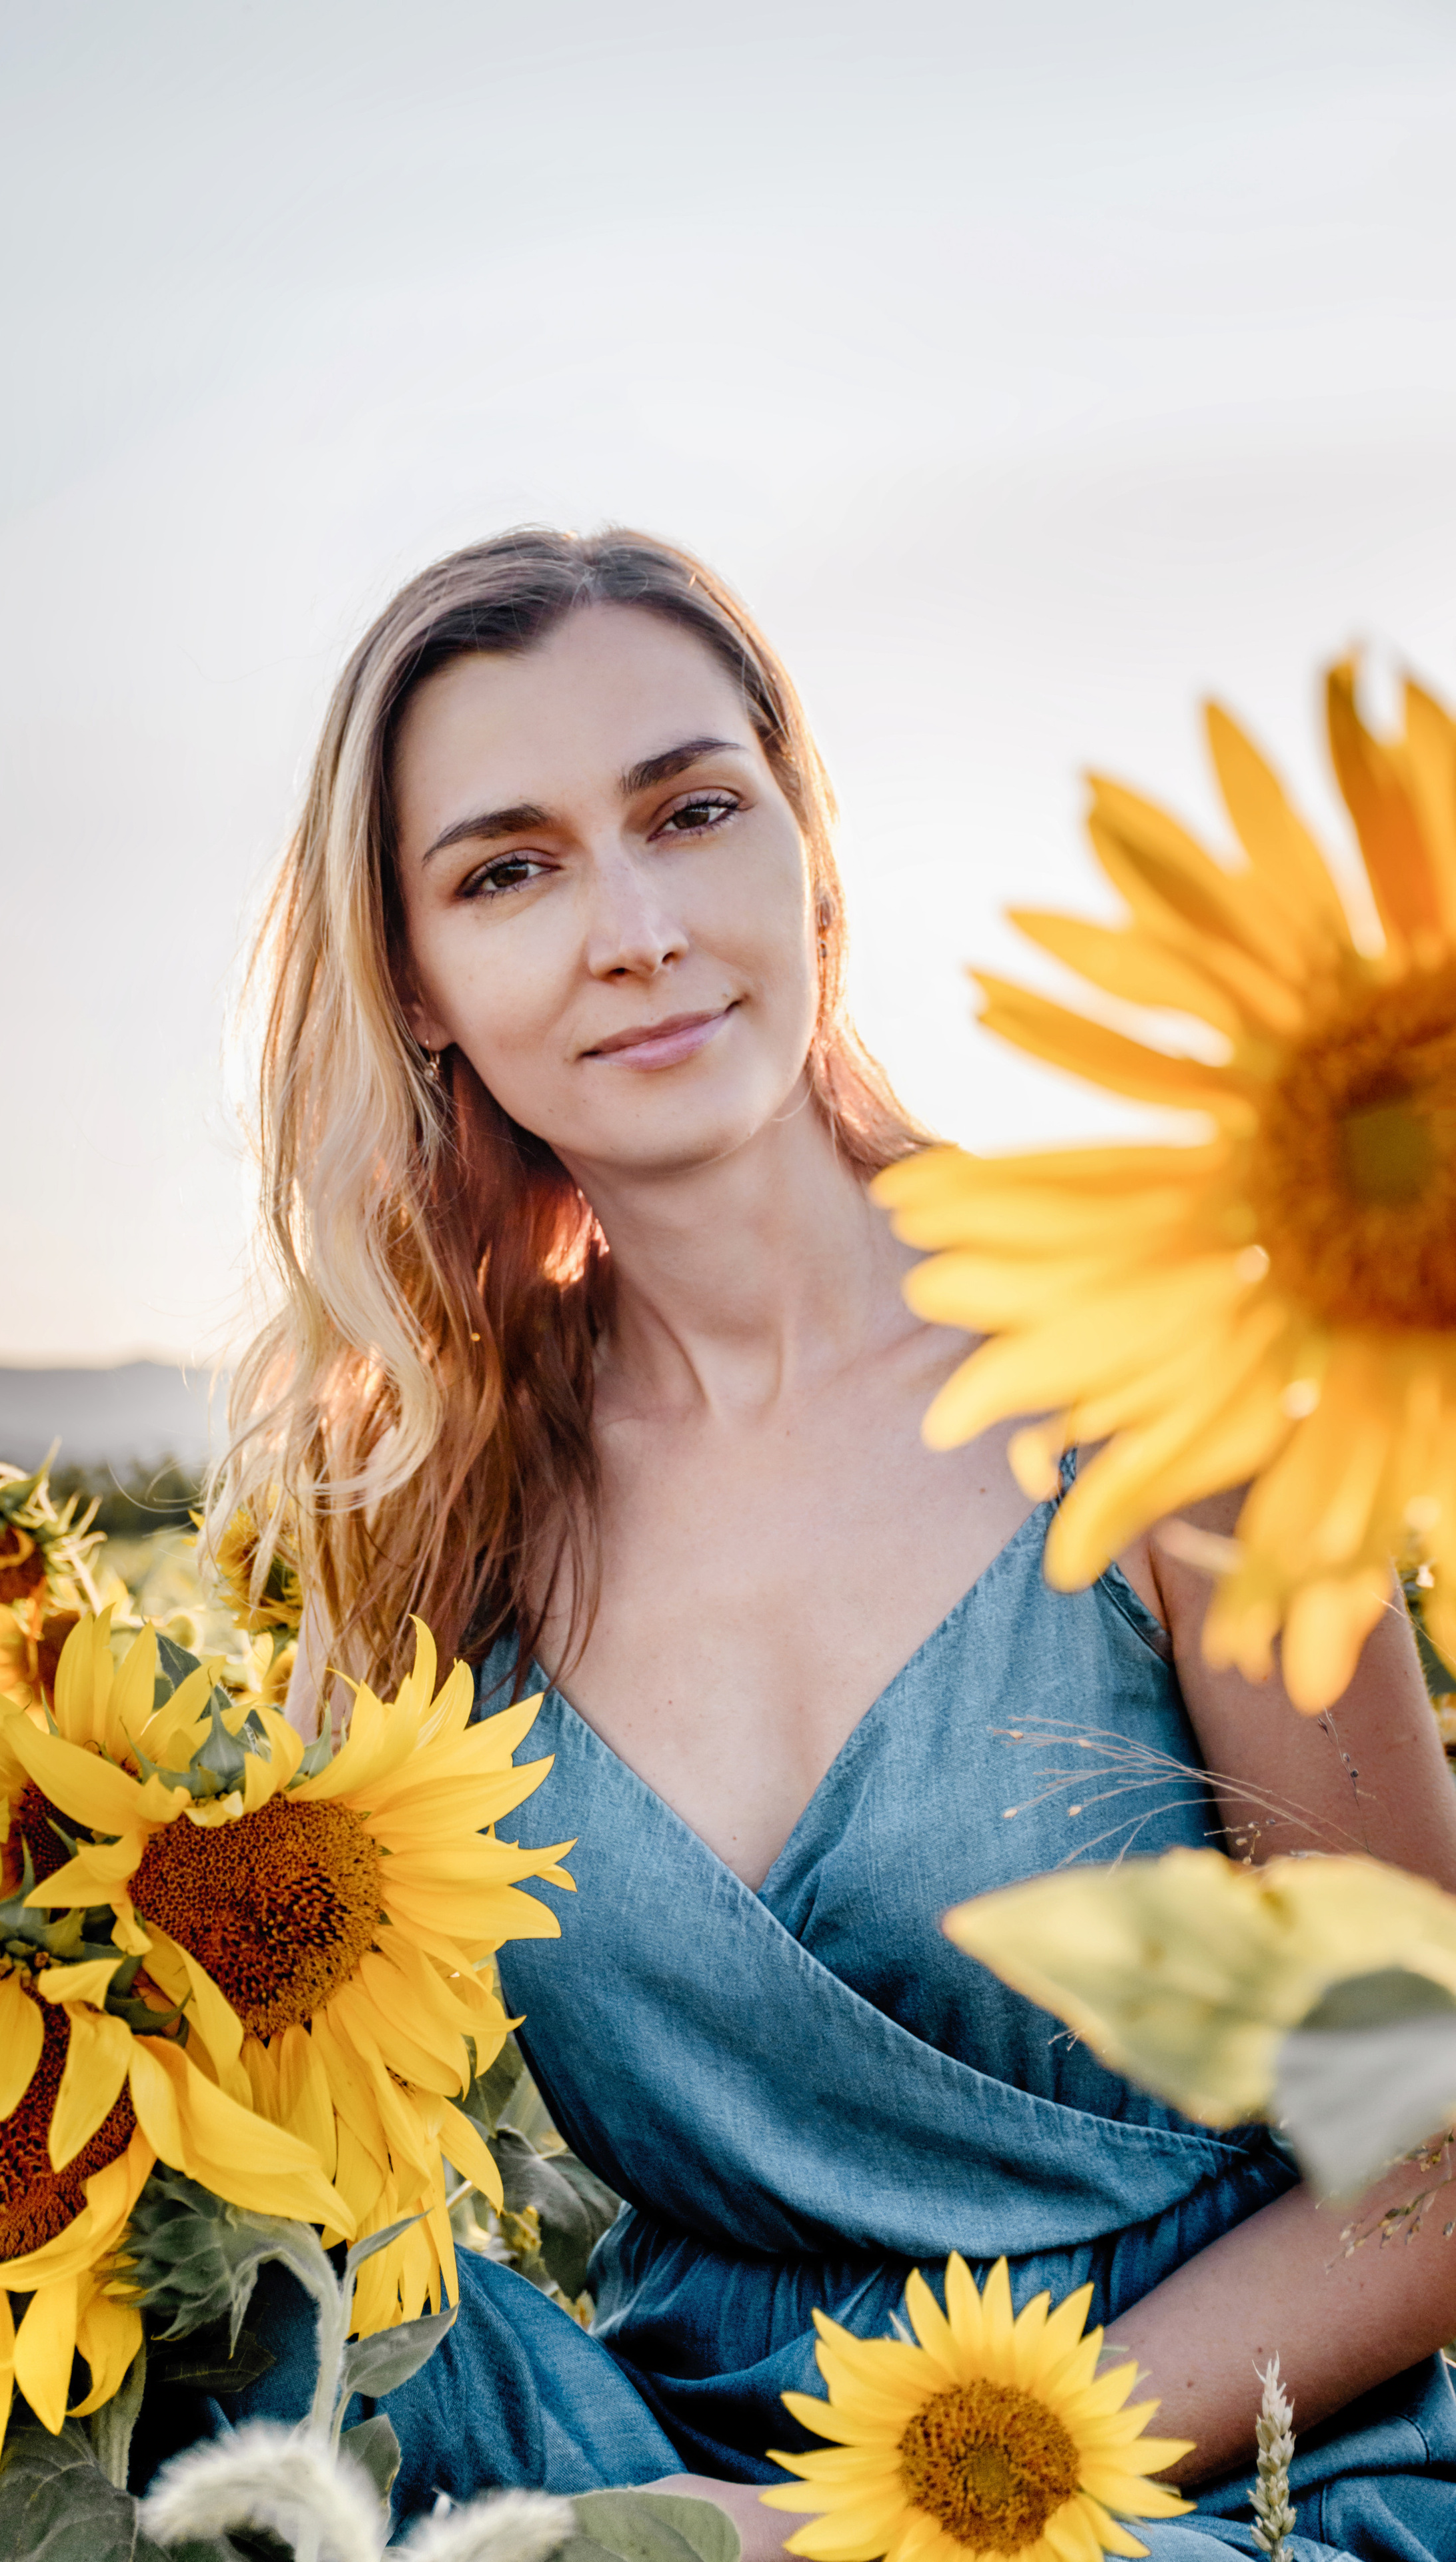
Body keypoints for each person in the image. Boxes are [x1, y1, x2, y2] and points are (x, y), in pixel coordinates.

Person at [215, 527, 1456, 2560]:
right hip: (670, 2471)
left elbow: (1432, 2157)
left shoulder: (1153, 1372)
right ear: (419, 989)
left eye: (691, 812)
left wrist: (899, 2512)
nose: (634, 928)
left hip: (1194, 2471)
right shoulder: (428, 1516)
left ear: (808, 851)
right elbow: (279, 2107)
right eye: (506, 869)